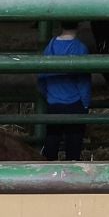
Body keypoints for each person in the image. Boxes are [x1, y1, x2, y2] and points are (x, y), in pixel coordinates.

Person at [37, 19, 91, 160]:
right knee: (74, 146)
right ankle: (72, 177)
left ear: (60, 25)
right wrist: (85, 104)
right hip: (75, 104)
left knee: (52, 141)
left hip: (53, 103)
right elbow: (83, 81)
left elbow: (41, 77)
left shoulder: (50, 47)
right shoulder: (81, 48)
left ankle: (49, 176)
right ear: (78, 25)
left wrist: (48, 95)